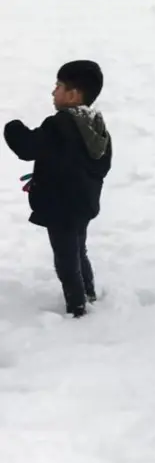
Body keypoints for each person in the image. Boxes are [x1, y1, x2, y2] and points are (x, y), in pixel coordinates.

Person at [4, 61, 113, 318]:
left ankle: (77, 309)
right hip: (84, 203)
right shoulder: (95, 124)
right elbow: (101, 163)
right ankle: (88, 293)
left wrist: (12, 127)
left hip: (61, 207)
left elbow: (28, 147)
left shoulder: (59, 124)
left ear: (73, 94)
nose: (54, 92)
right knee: (79, 250)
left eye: (59, 86)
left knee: (66, 260)